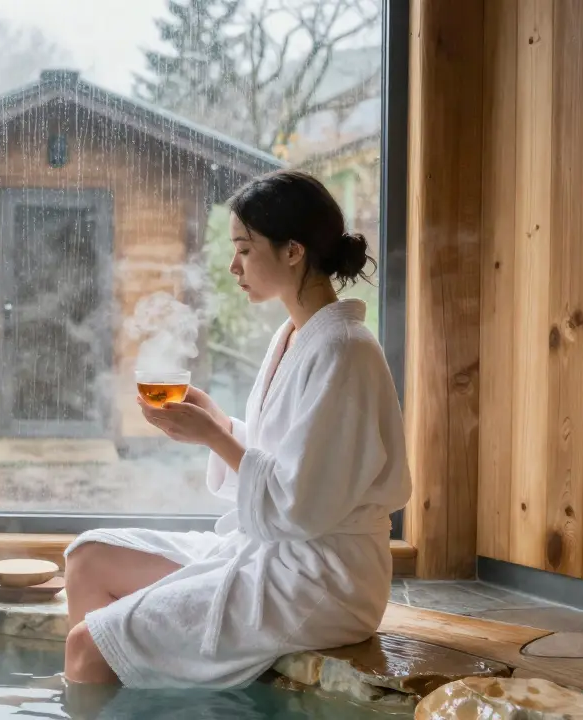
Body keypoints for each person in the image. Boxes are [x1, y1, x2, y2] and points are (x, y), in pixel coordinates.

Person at [62, 169, 412, 689]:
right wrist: (222, 423)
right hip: (269, 549)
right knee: (87, 559)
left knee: (86, 646)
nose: (232, 266)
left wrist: (212, 435)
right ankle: (117, 687)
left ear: (293, 251)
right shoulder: (293, 336)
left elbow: (304, 504)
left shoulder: (344, 350)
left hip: (320, 577)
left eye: (245, 250)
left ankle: (96, 679)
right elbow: (291, 461)